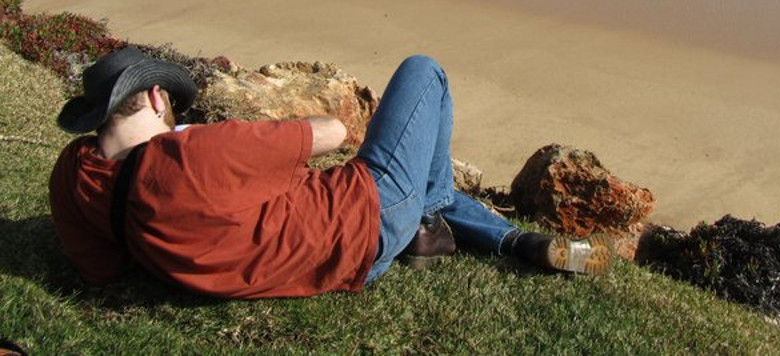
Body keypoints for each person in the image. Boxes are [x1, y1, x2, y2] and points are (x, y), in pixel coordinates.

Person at [48, 47, 612, 299]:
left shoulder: (74, 177)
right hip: (361, 224)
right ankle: (442, 220)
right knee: (424, 71)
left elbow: (101, 272)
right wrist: (207, 138)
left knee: (425, 194)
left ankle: (484, 233)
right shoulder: (194, 154)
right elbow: (331, 134)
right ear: (153, 95)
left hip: (326, 266)